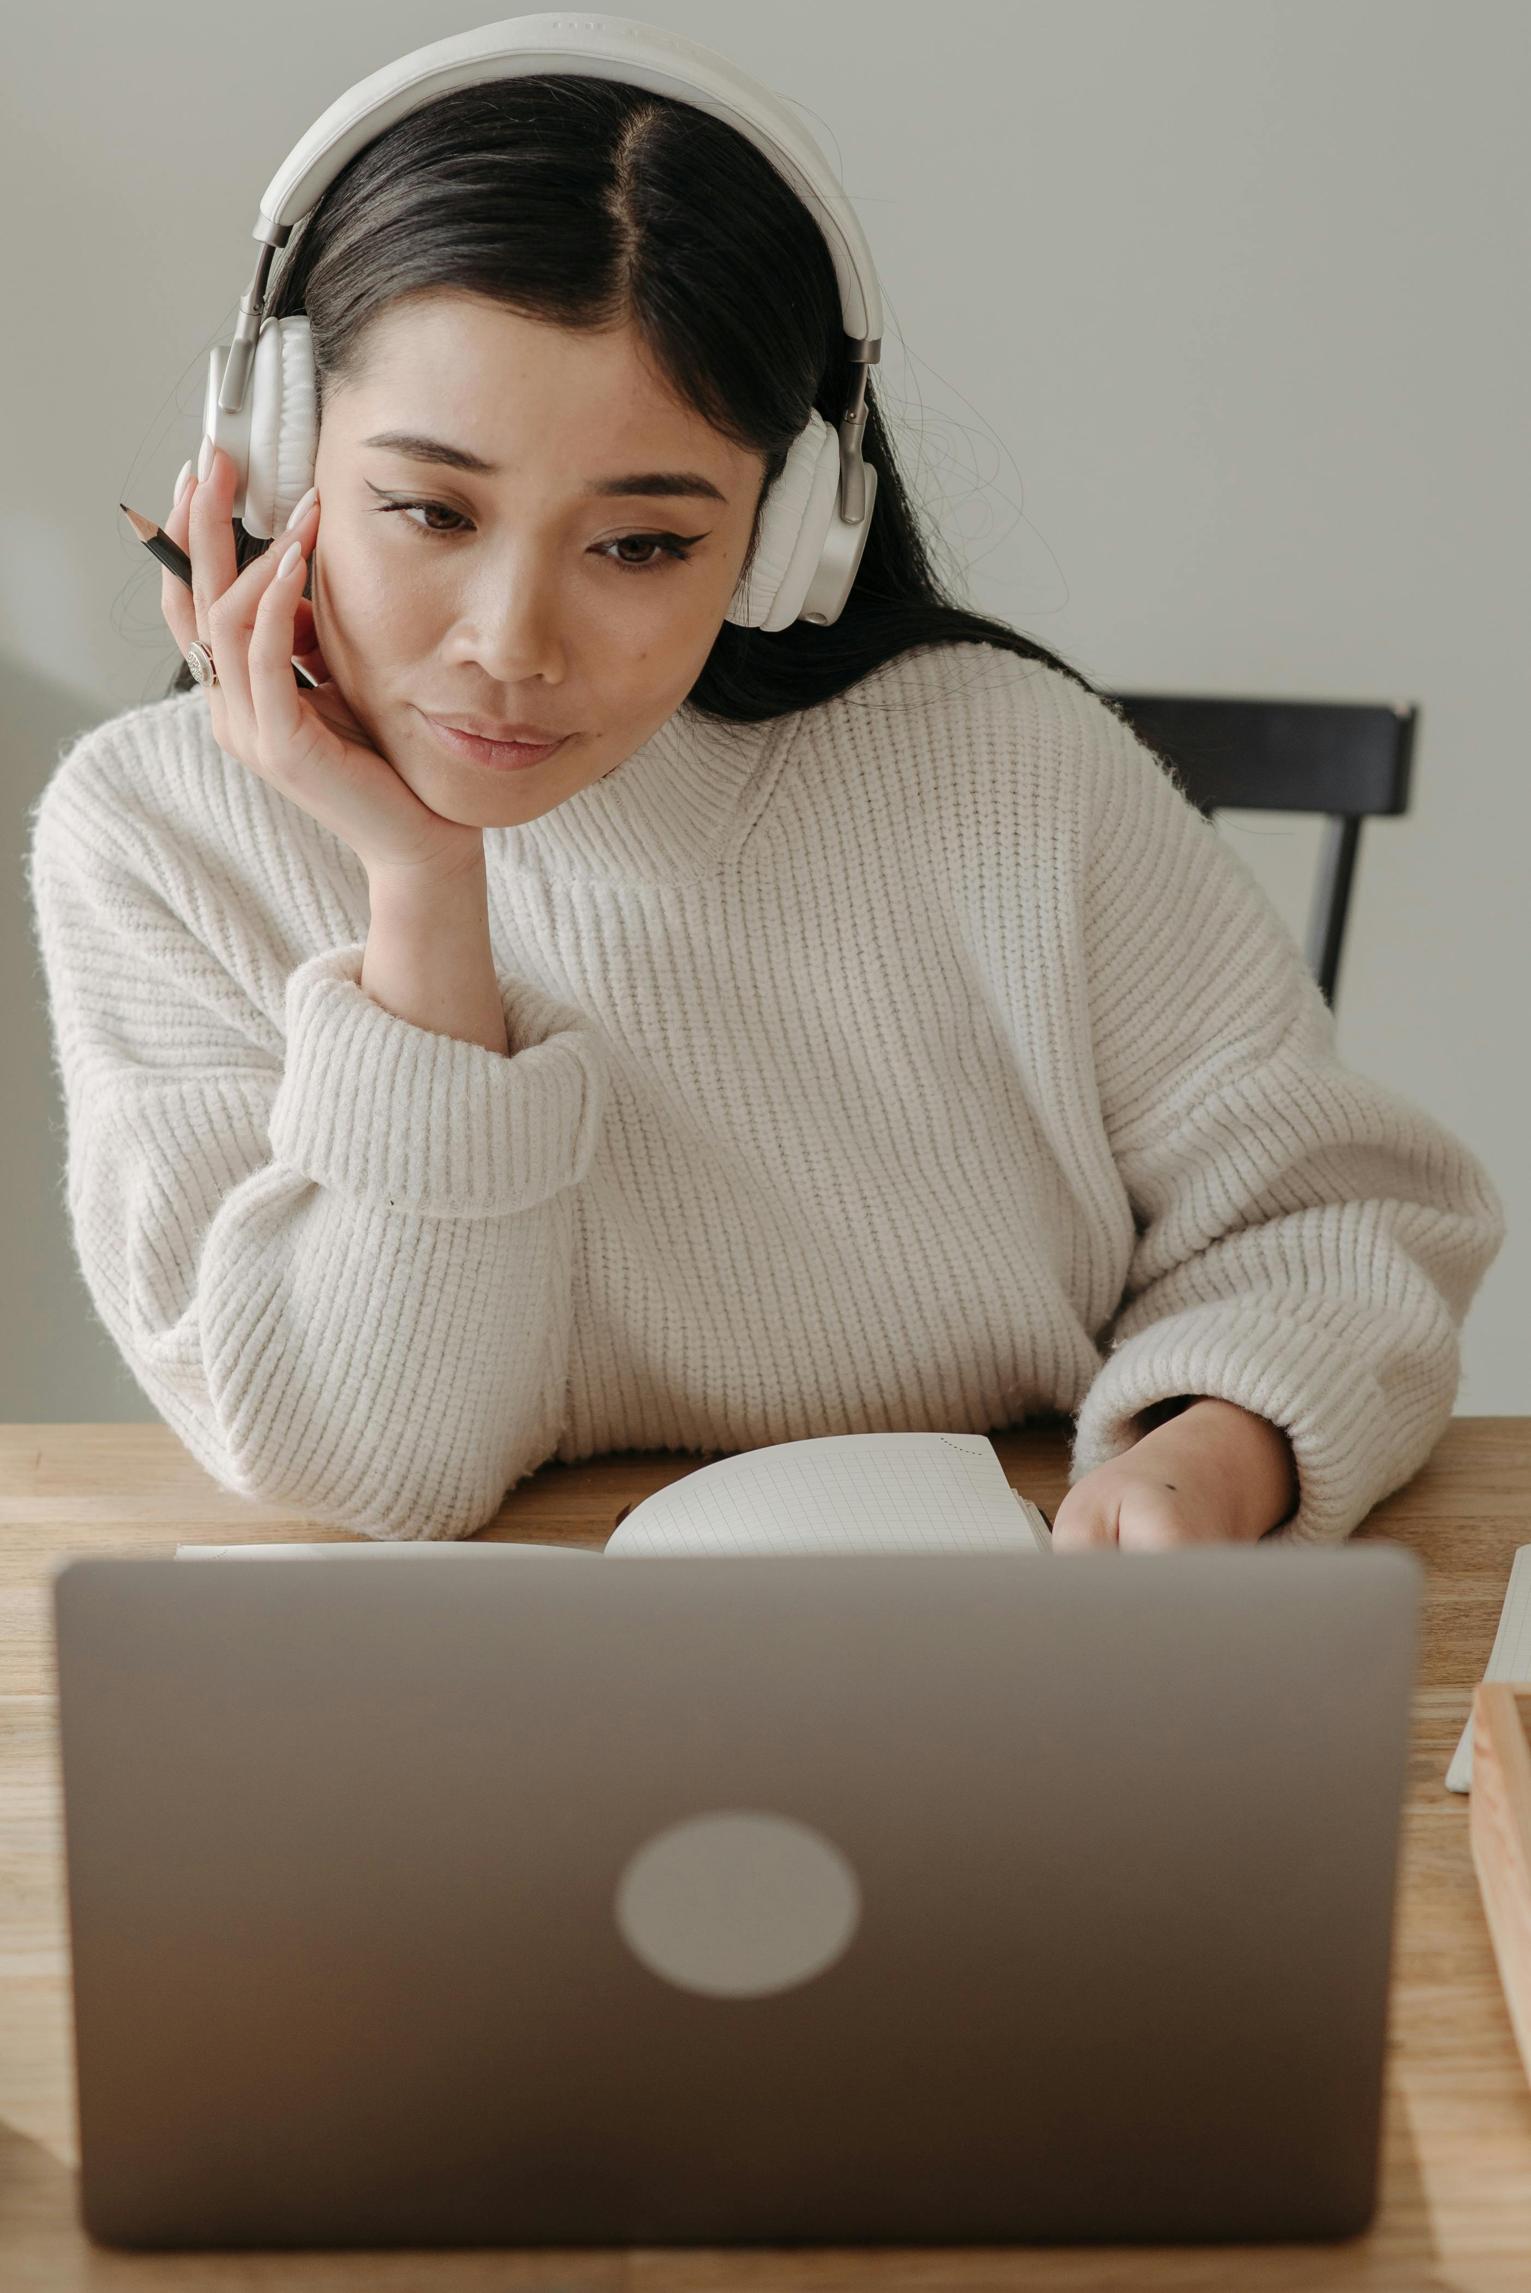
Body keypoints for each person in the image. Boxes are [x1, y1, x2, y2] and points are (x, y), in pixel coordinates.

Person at [27, 75, 1505, 1547]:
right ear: (279, 460)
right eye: (433, 510)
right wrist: (422, 895)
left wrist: (1215, 1457)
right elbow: (372, 1462)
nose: (513, 640)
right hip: (479, 1699)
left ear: (788, 538)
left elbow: (1338, 1226)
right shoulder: (153, 838)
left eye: (643, 541)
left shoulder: (1010, 773)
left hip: (1014, 1647)